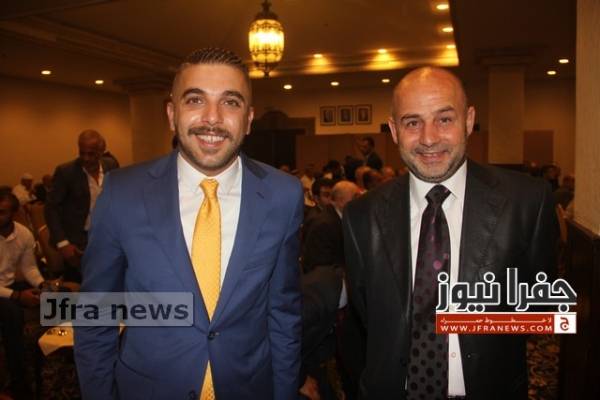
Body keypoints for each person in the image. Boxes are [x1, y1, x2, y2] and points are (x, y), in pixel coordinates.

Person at [74, 47, 304, 400]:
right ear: (172, 114)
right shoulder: (121, 193)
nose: (212, 118)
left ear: (248, 119)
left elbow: (284, 313)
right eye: (195, 100)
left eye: (230, 102)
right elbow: (95, 311)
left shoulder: (283, 195)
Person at [342, 67, 559, 399]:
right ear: (394, 130)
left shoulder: (528, 201)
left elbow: (538, 309)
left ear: (469, 121)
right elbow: (367, 315)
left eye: (444, 119)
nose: (429, 138)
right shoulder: (361, 215)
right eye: (412, 123)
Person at [44, 129, 118, 281]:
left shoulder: (111, 165)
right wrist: (63, 243)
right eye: (82, 153)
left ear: (102, 151)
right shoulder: (65, 172)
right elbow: (51, 209)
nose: (86, 158)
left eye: (91, 154)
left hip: (106, 237)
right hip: (77, 242)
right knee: (81, 285)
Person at [0, 192, 46, 399]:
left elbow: (29, 269)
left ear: (14, 213)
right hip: (6, 293)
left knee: (58, 298)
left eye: (1, 212)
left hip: (8, 286)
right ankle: (18, 382)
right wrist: (18, 296)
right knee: (12, 312)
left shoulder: (24, 233)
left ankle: (60, 358)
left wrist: (42, 284)